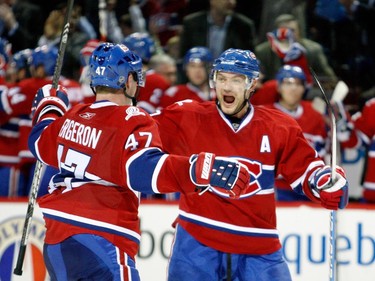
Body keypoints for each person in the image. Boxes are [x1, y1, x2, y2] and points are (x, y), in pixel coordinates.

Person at [27, 42, 252, 280]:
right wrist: (200, 169)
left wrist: (49, 106)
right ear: (127, 81)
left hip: (56, 242)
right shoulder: (131, 118)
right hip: (102, 237)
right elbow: (143, 170)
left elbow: (40, 142)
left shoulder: (74, 115)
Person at [152, 48, 349, 280]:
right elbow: (139, 136)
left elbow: (307, 168)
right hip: (197, 240)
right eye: (222, 78)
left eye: (237, 80)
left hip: (259, 246)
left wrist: (324, 181)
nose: (226, 87)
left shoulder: (279, 126)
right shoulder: (186, 115)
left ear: (252, 83)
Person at [264, 65, 328, 201]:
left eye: (298, 84)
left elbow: (324, 148)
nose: (293, 88)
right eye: (288, 83)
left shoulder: (316, 113)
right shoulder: (264, 114)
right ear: (279, 87)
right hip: (276, 187)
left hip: (309, 186)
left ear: (305, 88)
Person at [255, 14, 337, 87]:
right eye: (284, 31)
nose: (288, 35)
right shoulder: (262, 52)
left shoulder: (314, 50)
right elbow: (255, 82)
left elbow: (330, 79)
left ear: (299, 32)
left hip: (305, 94)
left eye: (292, 31)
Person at [179, 0, 257, 60]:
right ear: (212, 1)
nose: (232, 2)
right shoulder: (192, 23)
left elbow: (249, 59)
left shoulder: (243, 26)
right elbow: (183, 57)